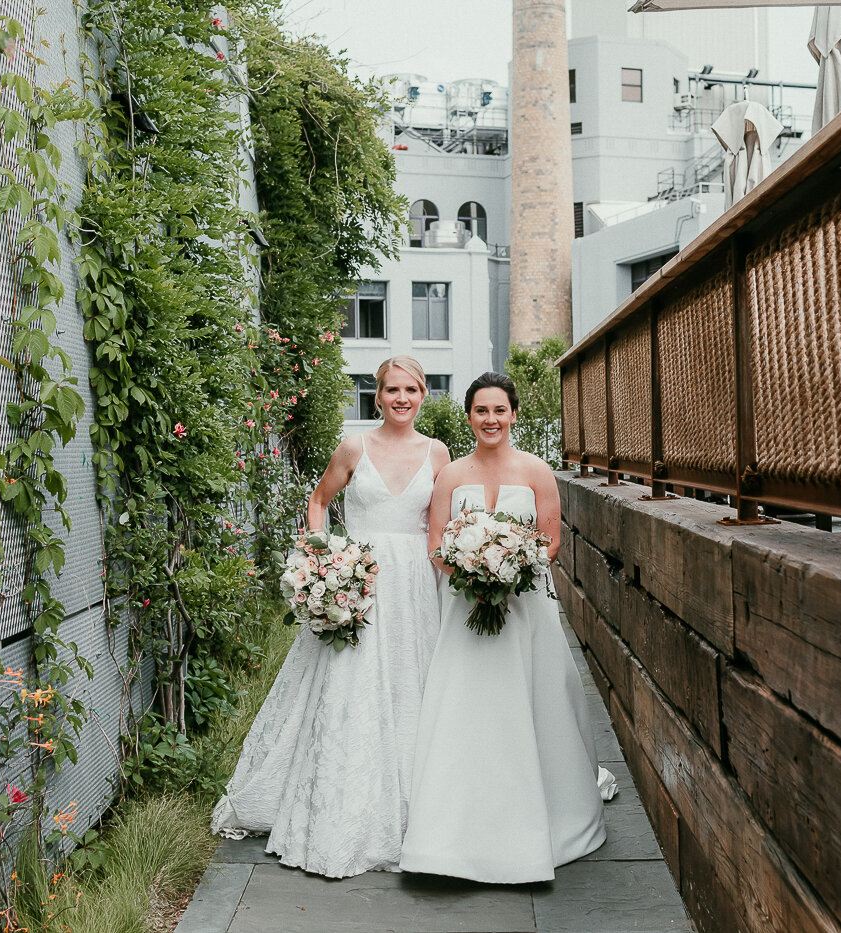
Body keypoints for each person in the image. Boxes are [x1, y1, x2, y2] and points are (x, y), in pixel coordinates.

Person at [212, 356, 450, 878]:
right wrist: (323, 558)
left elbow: (440, 524)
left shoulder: (437, 452)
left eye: (411, 389)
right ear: (377, 394)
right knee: (350, 683)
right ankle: (344, 806)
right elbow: (319, 500)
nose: (401, 399)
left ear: (423, 394)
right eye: (391, 389)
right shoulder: (353, 446)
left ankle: (422, 811)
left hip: (413, 583)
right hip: (358, 576)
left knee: (414, 683)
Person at [400, 371, 609, 884]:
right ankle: (451, 832)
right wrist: (471, 572)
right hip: (463, 608)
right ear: (469, 416)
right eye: (480, 411)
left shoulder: (536, 472)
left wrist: (510, 568)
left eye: (499, 410)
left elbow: (551, 540)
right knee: (464, 706)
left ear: (513, 414)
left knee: (534, 699)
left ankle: (546, 822)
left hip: (524, 605)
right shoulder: (451, 476)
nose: (490, 420)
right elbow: (435, 545)